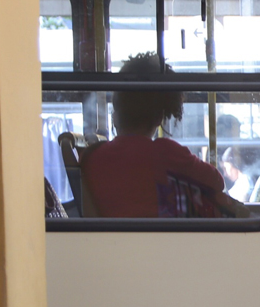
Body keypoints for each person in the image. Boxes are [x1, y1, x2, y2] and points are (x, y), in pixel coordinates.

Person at [81, 52, 250, 218]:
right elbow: (216, 182)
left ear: (115, 114)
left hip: (110, 243)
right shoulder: (166, 152)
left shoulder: (93, 156)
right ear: (159, 117)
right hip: (160, 242)